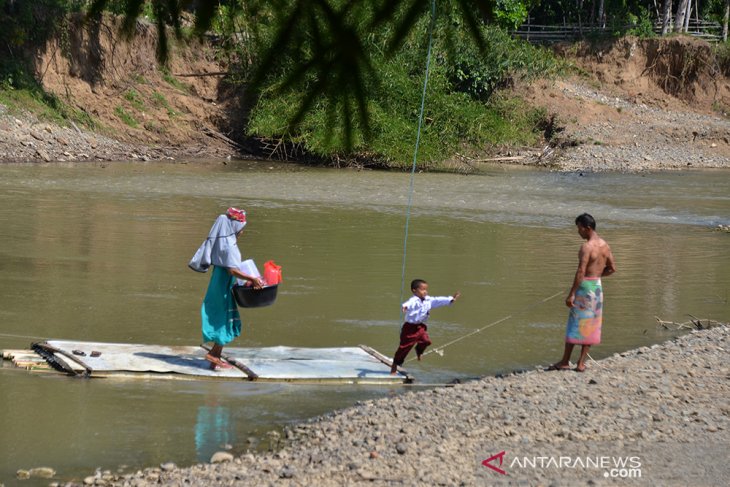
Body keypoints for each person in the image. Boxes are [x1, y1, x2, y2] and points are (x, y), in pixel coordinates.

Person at [189, 207, 263, 370]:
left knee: (226, 319)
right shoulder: (229, 245)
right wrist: (252, 278)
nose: (242, 232)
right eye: (241, 228)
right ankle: (213, 355)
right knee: (225, 320)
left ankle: (214, 357)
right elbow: (232, 270)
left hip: (219, 283)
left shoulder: (224, 241)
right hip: (222, 286)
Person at [549, 213, 616, 373]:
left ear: (587, 228)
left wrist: (572, 293)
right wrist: (597, 277)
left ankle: (565, 361)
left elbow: (581, 271)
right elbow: (612, 269)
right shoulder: (605, 245)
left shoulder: (586, 247)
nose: (578, 231)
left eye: (579, 228)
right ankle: (581, 363)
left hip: (585, 287)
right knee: (591, 324)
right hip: (597, 288)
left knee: (575, 322)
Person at [390, 279, 460, 375]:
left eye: (426, 289)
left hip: (421, 326)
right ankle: (395, 365)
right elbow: (408, 303)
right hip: (410, 328)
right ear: (414, 290)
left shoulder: (428, 300)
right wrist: (405, 307)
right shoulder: (414, 300)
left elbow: (438, 300)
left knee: (426, 341)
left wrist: (451, 299)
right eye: (422, 289)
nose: (425, 291)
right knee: (404, 348)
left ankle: (419, 350)